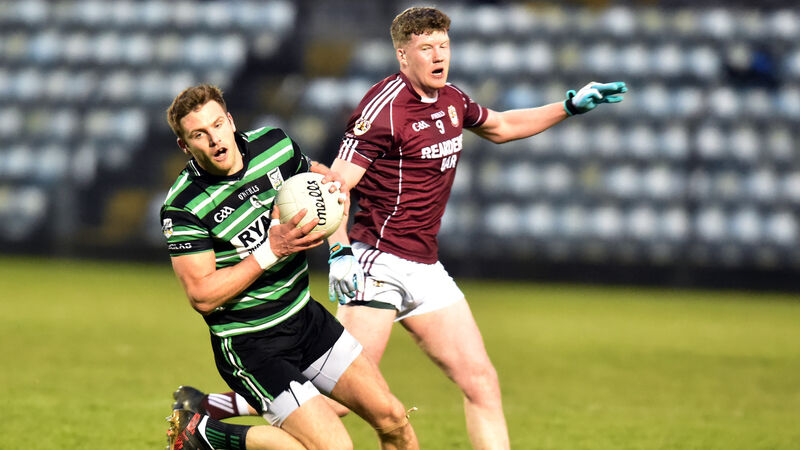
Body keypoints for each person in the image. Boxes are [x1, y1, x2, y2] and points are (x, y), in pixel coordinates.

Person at [179, 6, 627, 449]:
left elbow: (502, 125)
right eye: (426, 47)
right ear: (402, 55)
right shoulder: (384, 109)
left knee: (481, 382)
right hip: (378, 262)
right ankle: (211, 415)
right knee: (343, 403)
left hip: (425, 266)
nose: (439, 55)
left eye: (443, 45)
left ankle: (211, 407)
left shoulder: (452, 100)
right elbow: (334, 185)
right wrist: (340, 251)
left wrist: (568, 106)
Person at [160, 84, 419, 450]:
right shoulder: (184, 205)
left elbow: (324, 185)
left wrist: (340, 250)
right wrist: (270, 251)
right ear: (185, 146)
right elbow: (202, 295)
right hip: (251, 344)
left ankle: (202, 432)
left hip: (306, 320)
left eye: (217, 125)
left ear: (230, 121)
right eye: (199, 134)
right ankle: (203, 435)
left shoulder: (275, 146)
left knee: (394, 419)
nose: (214, 139)